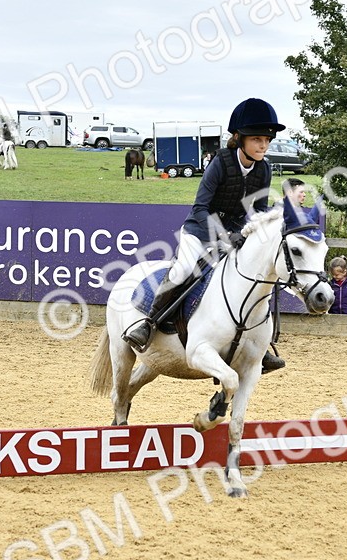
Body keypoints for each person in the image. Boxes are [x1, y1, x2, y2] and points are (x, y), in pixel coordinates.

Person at [123, 97, 286, 374]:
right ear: (239, 138)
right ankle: (149, 324)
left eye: (267, 140)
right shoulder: (220, 162)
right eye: (257, 139)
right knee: (183, 270)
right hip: (199, 230)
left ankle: (259, 344)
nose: (263, 145)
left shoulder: (264, 168)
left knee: (256, 275)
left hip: (235, 234)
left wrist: (267, 221)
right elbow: (200, 208)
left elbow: (258, 210)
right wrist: (225, 235)